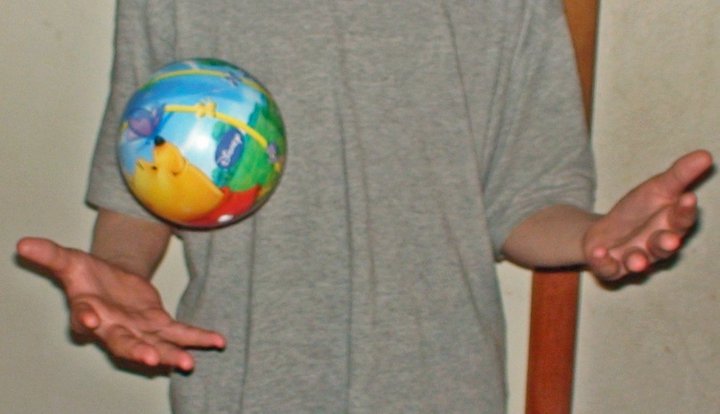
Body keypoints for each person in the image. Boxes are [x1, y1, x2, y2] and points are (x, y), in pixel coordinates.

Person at [16, 0, 713, 413]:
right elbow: (145, 185)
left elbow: (524, 203)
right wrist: (119, 273)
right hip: (243, 389)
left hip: (442, 390)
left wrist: (595, 237)